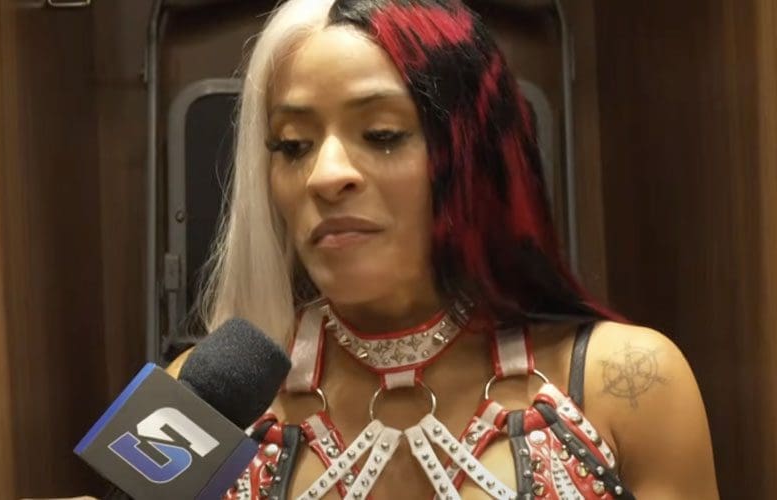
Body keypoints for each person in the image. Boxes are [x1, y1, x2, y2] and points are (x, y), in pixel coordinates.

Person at [167, 0, 719, 498]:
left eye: (382, 134)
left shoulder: (629, 385)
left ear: (474, 155)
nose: (325, 175)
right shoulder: (204, 403)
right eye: (293, 146)